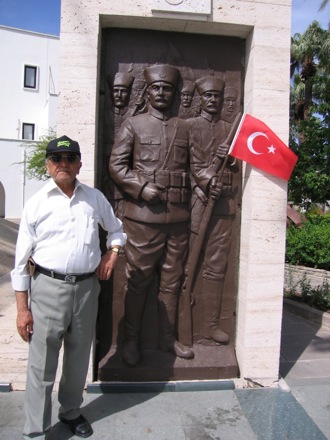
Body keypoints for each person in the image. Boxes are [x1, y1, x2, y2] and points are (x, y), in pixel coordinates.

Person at [11, 135, 126, 439]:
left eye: (70, 158)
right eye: (57, 159)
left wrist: (112, 252)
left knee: (77, 359)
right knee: (42, 363)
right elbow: (20, 263)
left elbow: (116, 230)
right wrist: (23, 310)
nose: (64, 164)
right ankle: (36, 428)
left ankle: (71, 412)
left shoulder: (94, 199)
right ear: (48, 165)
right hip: (47, 288)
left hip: (87, 289)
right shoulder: (36, 204)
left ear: (79, 164)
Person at [109, 64, 194, 366]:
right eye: (156, 88)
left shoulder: (185, 127)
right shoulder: (133, 124)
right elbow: (116, 166)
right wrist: (142, 188)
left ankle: (167, 339)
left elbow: (194, 171)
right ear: (147, 91)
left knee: (172, 282)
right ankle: (130, 342)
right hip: (143, 219)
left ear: (173, 92)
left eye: (167, 88)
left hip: (179, 219)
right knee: (139, 281)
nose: (161, 92)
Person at [188, 76, 238, 345]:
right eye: (208, 96)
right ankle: (180, 322)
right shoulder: (190, 127)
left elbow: (241, 169)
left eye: (217, 97)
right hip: (197, 204)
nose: (213, 101)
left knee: (217, 267)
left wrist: (231, 160)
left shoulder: (231, 129)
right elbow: (187, 162)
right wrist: (207, 179)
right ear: (200, 98)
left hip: (224, 206)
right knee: (189, 264)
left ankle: (210, 326)